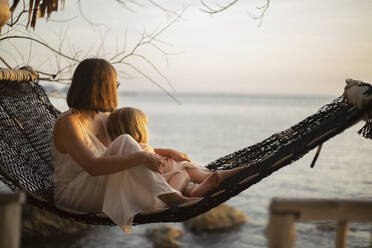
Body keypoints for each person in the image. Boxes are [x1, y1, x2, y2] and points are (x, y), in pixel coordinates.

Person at [52, 58, 198, 233]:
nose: (117, 87)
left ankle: (203, 176)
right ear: (102, 87)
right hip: (74, 195)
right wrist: (142, 157)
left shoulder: (103, 117)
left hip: (99, 188)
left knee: (147, 150)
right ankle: (173, 196)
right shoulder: (68, 123)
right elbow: (93, 166)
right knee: (129, 142)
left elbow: (128, 152)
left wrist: (166, 151)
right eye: (115, 83)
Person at [106, 107, 248, 197]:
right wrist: (168, 159)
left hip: (163, 180)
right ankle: (210, 177)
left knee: (183, 172)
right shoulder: (136, 148)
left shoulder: (128, 148)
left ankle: (197, 188)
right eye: (145, 126)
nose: (147, 129)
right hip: (159, 184)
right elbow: (148, 168)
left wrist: (168, 151)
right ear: (136, 129)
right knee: (183, 170)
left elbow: (150, 153)